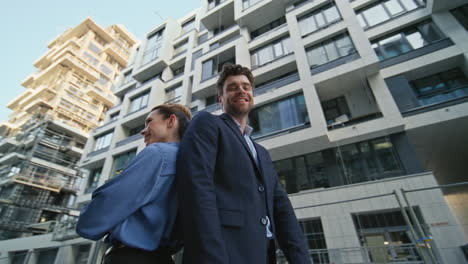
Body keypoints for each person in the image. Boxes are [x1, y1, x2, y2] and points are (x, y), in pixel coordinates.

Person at [176, 64, 310, 264]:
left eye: (246, 87)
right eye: (232, 87)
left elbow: (282, 210)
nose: (241, 90)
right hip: (223, 254)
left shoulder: (262, 153)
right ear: (221, 100)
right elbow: (196, 189)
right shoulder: (207, 123)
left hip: (262, 255)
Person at [76, 104, 191, 264]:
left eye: (149, 122)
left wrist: (86, 220)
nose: (142, 131)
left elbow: (109, 202)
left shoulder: (157, 153)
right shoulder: (188, 162)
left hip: (131, 257)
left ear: (171, 121)